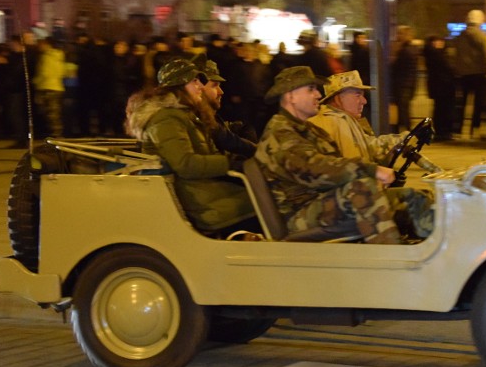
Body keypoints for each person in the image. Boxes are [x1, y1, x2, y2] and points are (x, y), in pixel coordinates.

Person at [254, 66, 405, 245]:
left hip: (321, 203)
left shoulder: (309, 130)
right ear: (291, 96)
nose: (318, 95)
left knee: (409, 198)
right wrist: (371, 170)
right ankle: (391, 261)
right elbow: (316, 169)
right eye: (311, 89)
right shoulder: (279, 133)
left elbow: (337, 161)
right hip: (298, 214)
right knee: (362, 189)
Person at [125, 58, 256, 234]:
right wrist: (231, 164)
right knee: (265, 202)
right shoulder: (166, 118)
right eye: (194, 81)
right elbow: (186, 164)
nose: (200, 86)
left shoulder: (185, 115)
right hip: (197, 199)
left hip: (203, 189)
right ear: (179, 86)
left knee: (266, 196)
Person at [309, 70, 434, 238]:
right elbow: (344, 168)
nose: (364, 100)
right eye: (357, 95)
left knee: (424, 196)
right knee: (418, 200)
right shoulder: (330, 122)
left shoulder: (345, 120)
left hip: (358, 195)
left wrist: (404, 139)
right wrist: (376, 178)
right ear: (338, 97)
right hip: (352, 201)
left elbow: (369, 146)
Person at [191, 52, 256, 159]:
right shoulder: (194, 117)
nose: (221, 92)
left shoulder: (205, 114)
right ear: (198, 87)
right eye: (214, 86)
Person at [453, 10, 486, 138]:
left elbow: (455, 55)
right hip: (479, 73)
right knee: (478, 103)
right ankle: (474, 128)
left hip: (463, 74)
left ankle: (459, 129)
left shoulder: (459, 37)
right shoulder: (482, 36)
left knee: (462, 102)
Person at [423, 34, 457, 141]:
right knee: (442, 109)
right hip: (442, 86)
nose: (442, 43)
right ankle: (442, 131)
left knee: (439, 108)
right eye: (439, 41)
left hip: (439, 85)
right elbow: (446, 68)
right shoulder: (436, 54)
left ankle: (440, 131)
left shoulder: (431, 53)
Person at [390, 25, 419, 131]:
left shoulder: (405, 51)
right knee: (404, 110)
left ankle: (406, 132)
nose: (398, 36)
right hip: (406, 85)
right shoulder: (410, 49)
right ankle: (405, 131)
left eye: (400, 33)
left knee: (403, 111)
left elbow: (397, 68)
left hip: (403, 85)